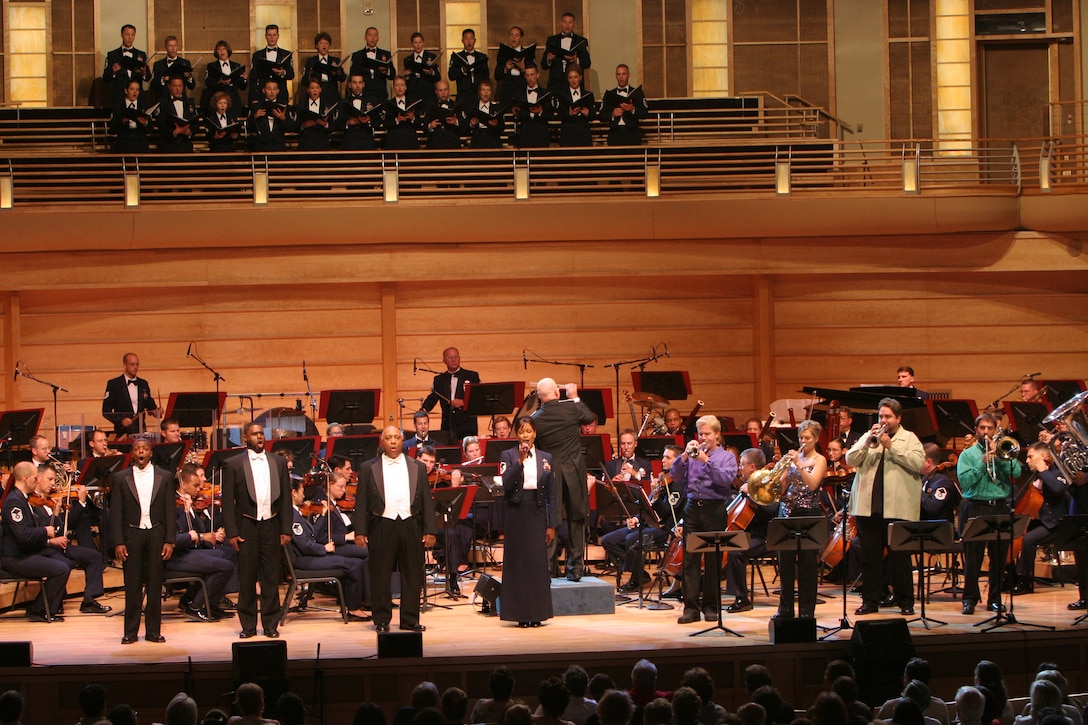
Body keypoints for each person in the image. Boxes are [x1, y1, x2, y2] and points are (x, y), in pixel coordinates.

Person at [353, 426, 436, 633]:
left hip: (411, 524)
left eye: (396, 438)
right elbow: (361, 502)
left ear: (402, 441)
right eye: (388, 438)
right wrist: (360, 530)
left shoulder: (417, 466)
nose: (392, 442)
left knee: (413, 574)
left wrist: (430, 529)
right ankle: (381, 619)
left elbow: (427, 499)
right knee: (380, 574)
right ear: (382, 441)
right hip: (382, 524)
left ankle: (409, 619)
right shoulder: (367, 468)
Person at [847, 397, 923, 616]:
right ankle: (870, 601)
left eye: (888, 416)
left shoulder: (909, 438)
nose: (884, 420)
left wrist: (891, 447)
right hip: (868, 509)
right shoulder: (869, 436)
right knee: (870, 559)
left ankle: (905, 601)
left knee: (900, 559)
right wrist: (866, 441)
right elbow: (850, 459)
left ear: (898, 418)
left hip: (898, 510)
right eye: (881, 416)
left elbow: (918, 464)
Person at [222, 421, 292, 639]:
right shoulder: (233, 464)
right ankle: (248, 625)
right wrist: (232, 532)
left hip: (271, 524)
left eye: (261, 433)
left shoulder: (278, 462)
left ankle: (271, 624)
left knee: (271, 576)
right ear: (245, 438)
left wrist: (286, 528)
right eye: (254, 434)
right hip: (247, 525)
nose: (259, 437)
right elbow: (227, 502)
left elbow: (286, 500)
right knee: (247, 577)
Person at [671, 414, 737, 623]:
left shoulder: (726, 457)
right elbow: (675, 474)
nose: (703, 437)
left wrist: (705, 461)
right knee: (690, 559)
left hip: (714, 509)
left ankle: (711, 607)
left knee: (712, 559)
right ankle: (691, 608)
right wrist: (684, 455)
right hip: (692, 509)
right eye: (701, 434)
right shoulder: (691, 455)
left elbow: (725, 480)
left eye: (707, 434)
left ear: (717, 435)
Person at [109, 438, 176, 643]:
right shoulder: (121, 478)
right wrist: (118, 542)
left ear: (150, 453)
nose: (141, 452)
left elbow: (170, 511)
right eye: (137, 449)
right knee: (132, 585)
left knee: (155, 585)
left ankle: (153, 632)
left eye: (145, 449)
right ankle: (130, 632)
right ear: (132, 452)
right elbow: (116, 513)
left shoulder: (164, 477)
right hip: (132, 535)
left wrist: (170, 540)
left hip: (156, 534)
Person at [531, 378, 597, 581]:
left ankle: (549, 568)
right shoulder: (571, 409)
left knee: (551, 520)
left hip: (550, 473)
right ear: (557, 393)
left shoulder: (536, 418)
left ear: (540, 397)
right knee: (577, 518)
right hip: (574, 472)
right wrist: (575, 397)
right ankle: (575, 568)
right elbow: (588, 418)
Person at [957, 412, 1022, 614]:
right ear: (976, 431)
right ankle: (969, 599)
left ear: (995, 431)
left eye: (990, 428)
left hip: (999, 507)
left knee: (998, 558)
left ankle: (994, 599)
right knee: (973, 559)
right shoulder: (967, 455)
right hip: (975, 506)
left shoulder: (1004, 450)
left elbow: (1017, 473)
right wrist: (982, 462)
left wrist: (1000, 458)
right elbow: (965, 483)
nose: (986, 432)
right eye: (982, 428)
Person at [496, 417, 558, 627]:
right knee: (518, 565)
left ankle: (537, 614)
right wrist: (520, 462)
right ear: (517, 435)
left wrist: (552, 524)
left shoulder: (546, 458)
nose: (525, 435)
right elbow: (505, 483)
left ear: (535, 434)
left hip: (537, 513)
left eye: (528, 431)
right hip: (516, 512)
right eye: (521, 431)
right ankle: (520, 615)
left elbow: (552, 493)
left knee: (537, 564)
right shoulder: (508, 455)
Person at [30, 464, 112, 614]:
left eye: (54, 480)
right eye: (49, 479)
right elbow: (44, 530)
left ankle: (89, 600)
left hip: (59, 545)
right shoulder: (32, 503)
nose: (53, 484)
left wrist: (77, 504)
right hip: (44, 547)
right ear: (38, 478)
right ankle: (54, 601)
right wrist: (55, 513)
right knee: (64, 562)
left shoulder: (51, 500)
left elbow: (65, 527)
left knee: (94, 556)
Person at [289, 478, 371, 621]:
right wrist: (323, 548)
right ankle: (353, 608)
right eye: (302, 492)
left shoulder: (296, 513)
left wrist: (322, 516)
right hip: (303, 561)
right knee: (354, 564)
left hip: (308, 556)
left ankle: (353, 605)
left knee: (353, 563)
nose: (304, 496)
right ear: (293, 493)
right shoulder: (291, 515)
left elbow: (312, 534)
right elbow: (304, 545)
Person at [602, 445, 681, 592]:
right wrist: (636, 519)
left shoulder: (680, 484)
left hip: (664, 528)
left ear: (679, 461)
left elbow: (665, 513)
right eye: (663, 456)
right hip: (646, 524)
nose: (663, 460)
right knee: (608, 540)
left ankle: (635, 579)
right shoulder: (662, 478)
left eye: (668, 457)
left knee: (632, 539)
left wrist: (656, 497)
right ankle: (640, 572)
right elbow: (648, 507)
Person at [0, 461, 72, 622]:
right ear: (25, 479)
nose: (37, 481)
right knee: (61, 569)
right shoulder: (14, 502)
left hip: (25, 552)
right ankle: (39, 609)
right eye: (35, 478)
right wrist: (45, 531)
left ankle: (47, 607)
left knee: (66, 563)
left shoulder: (23, 498)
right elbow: (23, 535)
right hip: (14, 558)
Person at [167, 466, 235, 622]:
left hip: (190, 551)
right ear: (183, 484)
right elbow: (180, 535)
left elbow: (201, 528)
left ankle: (210, 605)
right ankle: (195, 607)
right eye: (195, 486)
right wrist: (186, 511)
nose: (200, 489)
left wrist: (190, 509)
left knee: (228, 554)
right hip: (177, 556)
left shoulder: (188, 502)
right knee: (224, 566)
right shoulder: (173, 504)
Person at [774, 419, 828, 620]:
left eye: (807, 438)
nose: (803, 441)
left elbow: (813, 484)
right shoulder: (792, 459)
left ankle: (806, 610)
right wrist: (779, 472)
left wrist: (797, 463)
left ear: (815, 439)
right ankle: (785, 608)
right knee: (785, 564)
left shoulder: (819, 459)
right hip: (787, 511)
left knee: (807, 565)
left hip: (808, 514)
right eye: (800, 438)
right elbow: (782, 487)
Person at [722, 447, 779, 613]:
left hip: (764, 537)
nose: (740, 468)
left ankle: (742, 598)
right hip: (747, 534)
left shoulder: (769, 484)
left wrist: (752, 495)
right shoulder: (746, 484)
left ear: (752, 467)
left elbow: (771, 512)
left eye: (742, 465)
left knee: (735, 550)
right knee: (716, 544)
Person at [1012, 442, 1070, 594]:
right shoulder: (1036, 475)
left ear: (1043, 456)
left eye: (1030, 457)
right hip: (1044, 521)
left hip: (1058, 524)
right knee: (1014, 532)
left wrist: (1043, 471)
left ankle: (1026, 581)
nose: (1027, 461)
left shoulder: (1058, 471)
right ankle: (1012, 576)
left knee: (1028, 539)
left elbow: (1058, 489)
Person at [422, 347, 481, 442]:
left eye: (456, 357)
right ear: (444, 360)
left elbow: (479, 398)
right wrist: (423, 410)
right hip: (448, 425)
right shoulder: (439, 379)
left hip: (467, 425)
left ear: (459, 358)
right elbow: (433, 397)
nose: (453, 360)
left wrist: (463, 402)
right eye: (450, 357)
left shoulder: (472, 376)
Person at [102, 352, 160, 436]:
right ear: (125, 365)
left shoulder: (143, 383)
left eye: (137, 364)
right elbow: (106, 411)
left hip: (141, 431)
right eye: (132, 364)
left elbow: (150, 406)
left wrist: (156, 411)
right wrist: (121, 420)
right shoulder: (114, 384)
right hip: (122, 432)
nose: (135, 367)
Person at [102, 25, 150, 108]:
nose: (130, 37)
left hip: (138, 99)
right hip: (119, 98)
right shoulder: (112, 55)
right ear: (122, 35)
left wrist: (144, 73)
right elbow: (105, 78)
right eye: (127, 34)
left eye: (132, 35)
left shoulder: (141, 54)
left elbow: (148, 77)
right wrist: (113, 71)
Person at [600, 65, 648, 146]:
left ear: (629, 75)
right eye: (618, 74)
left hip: (632, 133)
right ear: (616, 76)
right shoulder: (609, 95)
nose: (621, 77)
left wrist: (632, 109)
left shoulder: (637, 93)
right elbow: (601, 116)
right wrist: (612, 114)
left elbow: (645, 113)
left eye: (623, 74)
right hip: (615, 134)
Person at [542, 12, 591, 89]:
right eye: (565, 22)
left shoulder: (581, 41)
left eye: (570, 22)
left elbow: (587, 63)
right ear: (561, 23)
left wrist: (576, 60)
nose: (567, 25)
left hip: (574, 83)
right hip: (555, 83)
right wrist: (548, 59)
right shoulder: (551, 40)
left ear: (574, 24)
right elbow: (543, 65)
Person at [249, 24, 294, 104]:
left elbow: (291, 75)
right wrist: (253, 97)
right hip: (262, 95)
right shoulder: (257, 55)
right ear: (266, 36)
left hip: (281, 95)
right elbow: (253, 76)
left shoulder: (286, 54)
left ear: (278, 36)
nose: (272, 37)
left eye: (274, 35)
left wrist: (283, 72)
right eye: (269, 35)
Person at [350, 27, 395, 106]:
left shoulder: (385, 54)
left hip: (381, 93)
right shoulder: (357, 55)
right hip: (364, 93)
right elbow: (353, 74)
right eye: (370, 35)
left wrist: (386, 71)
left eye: (375, 35)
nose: (373, 38)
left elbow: (392, 75)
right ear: (365, 37)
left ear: (378, 38)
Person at [249, 79, 296, 152]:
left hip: (279, 148)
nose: (272, 92)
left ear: (278, 91)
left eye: (274, 89)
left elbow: (291, 127)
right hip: (261, 148)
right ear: (264, 90)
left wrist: (283, 119)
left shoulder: (284, 107)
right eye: (269, 89)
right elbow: (248, 127)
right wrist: (255, 117)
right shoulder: (256, 107)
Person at [204, 40, 247, 117]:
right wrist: (220, 82)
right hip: (219, 99)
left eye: (224, 48)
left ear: (228, 50)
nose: (222, 51)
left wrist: (244, 79)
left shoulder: (236, 66)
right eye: (219, 49)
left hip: (234, 99)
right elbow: (208, 83)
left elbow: (243, 87)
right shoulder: (211, 66)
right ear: (216, 52)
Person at [512, 66, 552, 149]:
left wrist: (540, 111)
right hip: (525, 135)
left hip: (541, 134)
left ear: (537, 75)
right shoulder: (519, 95)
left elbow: (550, 114)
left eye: (532, 75)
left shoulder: (546, 94)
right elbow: (518, 117)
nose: (530, 78)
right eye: (527, 75)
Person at [156, 75, 199, 152]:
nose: (177, 89)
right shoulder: (163, 103)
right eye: (174, 86)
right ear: (169, 86)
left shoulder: (190, 103)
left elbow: (195, 123)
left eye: (180, 85)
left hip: (186, 145)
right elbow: (160, 124)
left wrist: (190, 132)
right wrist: (174, 132)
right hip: (169, 146)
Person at [920, 443, 960, 523]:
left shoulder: (942, 482)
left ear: (928, 462)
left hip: (940, 531)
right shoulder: (926, 479)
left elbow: (933, 507)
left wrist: (917, 489)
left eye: (918, 459)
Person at [302, 32, 346, 105]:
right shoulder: (311, 61)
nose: (324, 45)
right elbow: (304, 81)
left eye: (326, 43)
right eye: (321, 43)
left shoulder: (335, 60)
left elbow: (343, 78)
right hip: (316, 95)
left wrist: (337, 71)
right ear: (316, 45)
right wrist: (310, 73)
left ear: (329, 46)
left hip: (332, 95)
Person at [556, 65, 594, 147]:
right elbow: (559, 115)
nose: (573, 80)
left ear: (580, 77)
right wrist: (569, 113)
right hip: (567, 135)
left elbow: (593, 115)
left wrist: (588, 113)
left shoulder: (588, 95)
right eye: (570, 77)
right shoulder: (562, 95)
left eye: (575, 77)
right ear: (567, 79)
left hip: (583, 134)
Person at [340, 72, 380, 150]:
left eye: (360, 82)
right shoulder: (343, 103)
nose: (357, 86)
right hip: (349, 144)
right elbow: (338, 123)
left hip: (367, 143)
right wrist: (348, 123)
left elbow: (378, 120)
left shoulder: (372, 101)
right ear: (349, 85)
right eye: (354, 82)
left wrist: (368, 121)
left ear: (363, 84)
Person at [448, 29, 489, 104]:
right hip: (463, 95)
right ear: (462, 41)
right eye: (466, 39)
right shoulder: (456, 57)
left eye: (471, 38)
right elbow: (451, 75)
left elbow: (486, 77)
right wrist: (462, 70)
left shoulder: (482, 57)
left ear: (475, 40)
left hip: (479, 95)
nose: (469, 41)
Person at [296, 78, 338, 151]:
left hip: (322, 144)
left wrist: (325, 124)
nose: (315, 90)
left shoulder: (327, 106)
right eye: (312, 88)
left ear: (320, 89)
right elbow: (295, 126)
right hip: (306, 144)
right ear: (307, 89)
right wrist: (303, 126)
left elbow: (332, 127)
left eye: (317, 87)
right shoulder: (301, 105)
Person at [110, 78, 152, 153]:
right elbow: (112, 129)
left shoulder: (144, 106)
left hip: (140, 141)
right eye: (132, 89)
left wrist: (145, 123)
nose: (135, 92)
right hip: (124, 141)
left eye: (137, 89)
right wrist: (122, 121)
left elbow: (150, 128)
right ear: (126, 90)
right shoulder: (119, 106)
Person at [495, 26, 535, 102]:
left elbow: (534, 75)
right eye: (512, 35)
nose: (514, 38)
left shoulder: (528, 54)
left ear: (521, 38)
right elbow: (497, 75)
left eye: (516, 35)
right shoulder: (503, 53)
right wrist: (505, 68)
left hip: (523, 90)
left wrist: (523, 68)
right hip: (507, 92)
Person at [151, 36, 195, 102]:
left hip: (181, 100)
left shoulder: (185, 63)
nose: (173, 48)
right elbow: (153, 85)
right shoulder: (158, 65)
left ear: (177, 47)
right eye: (170, 46)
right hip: (164, 100)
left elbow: (192, 86)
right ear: (165, 47)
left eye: (175, 45)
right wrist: (163, 79)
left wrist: (189, 77)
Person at [383, 77, 422, 150]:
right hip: (394, 141)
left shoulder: (413, 103)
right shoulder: (388, 104)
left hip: (410, 141)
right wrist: (397, 120)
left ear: (406, 87)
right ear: (394, 87)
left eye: (402, 85)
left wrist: (412, 118)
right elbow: (385, 124)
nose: (400, 87)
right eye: (397, 85)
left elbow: (419, 124)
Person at [465, 81, 506, 148]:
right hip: (477, 141)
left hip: (493, 140)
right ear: (479, 92)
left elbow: (502, 128)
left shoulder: (497, 108)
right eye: (483, 90)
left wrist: (495, 125)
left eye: (488, 90)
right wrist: (471, 124)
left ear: (491, 92)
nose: (486, 93)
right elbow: (465, 128)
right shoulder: (472, 108)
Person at [404, 32, 440, 106]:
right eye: (415, 42)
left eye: (420, 42)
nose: (418, 45)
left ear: (423, 43)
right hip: (413, 95)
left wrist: (432, 72)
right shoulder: (407, 60)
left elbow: (438, 77)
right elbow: (407, 80)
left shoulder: (431, 57)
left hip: (428, 94)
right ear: (412, 43)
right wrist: (407, 76)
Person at [425, 81, 462, 150]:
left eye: (445, 90)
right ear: (436, 91)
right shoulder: (430, 106)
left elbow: (463, 127)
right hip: (435, 144)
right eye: (440, 90)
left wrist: (456, 122)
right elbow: (425, 127)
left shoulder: (456, 105)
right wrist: (430, 126)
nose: (443, 92)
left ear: (449, 90)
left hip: (452, 144)